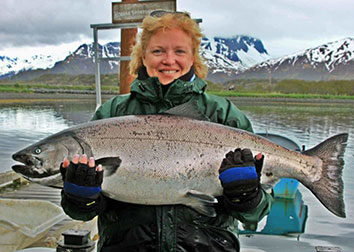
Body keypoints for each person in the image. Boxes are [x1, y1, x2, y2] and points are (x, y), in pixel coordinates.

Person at [60, 11, 273, 252]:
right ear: (143, 56)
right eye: (158, 51)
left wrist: (246, 196)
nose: (168, 60)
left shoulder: (223, 114)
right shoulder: (112, 113)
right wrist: (80, 197)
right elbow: (81, 212)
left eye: (179, 51)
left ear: (193, 58)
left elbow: (256, 215)